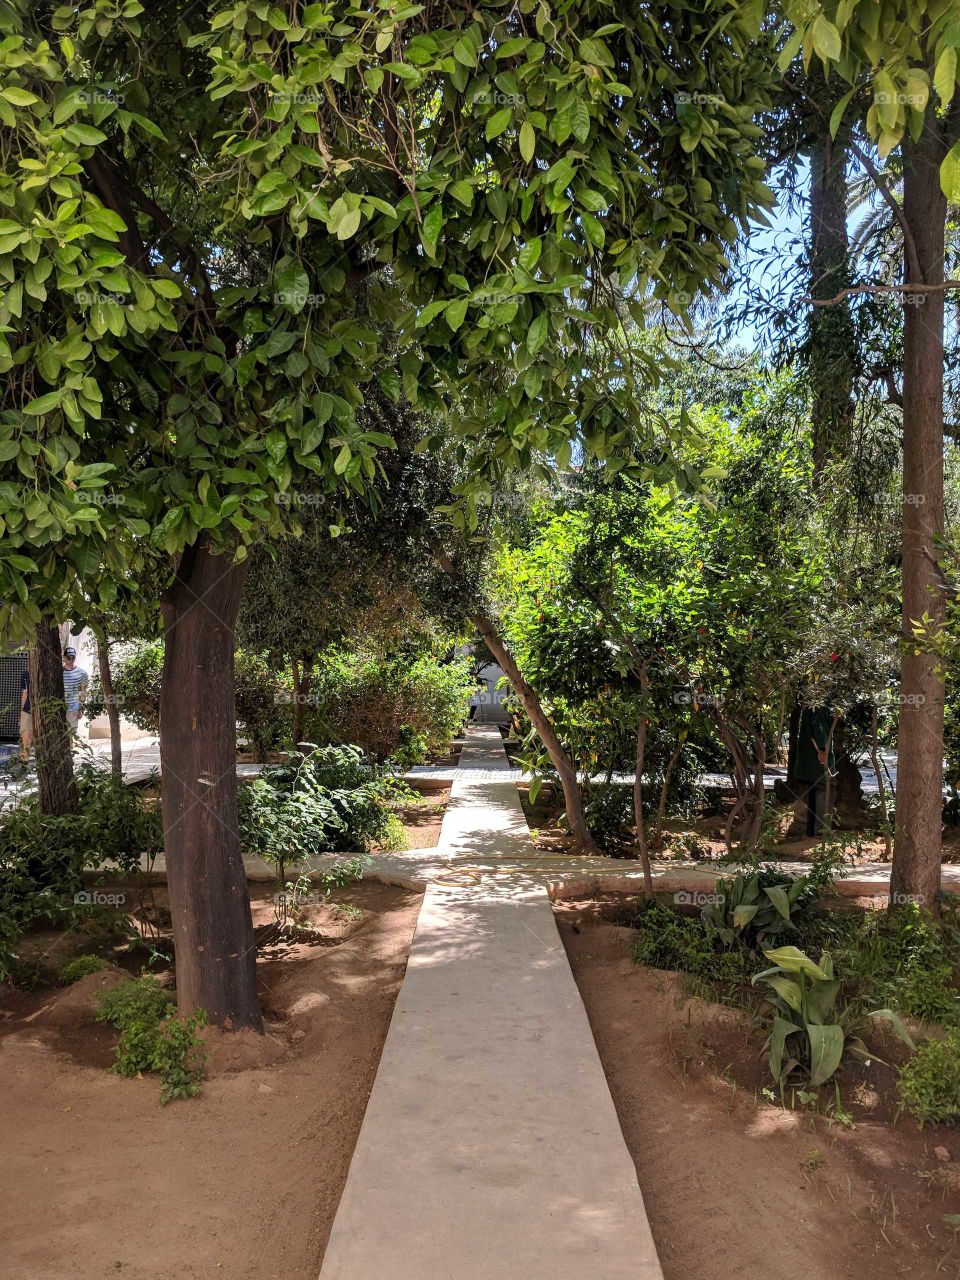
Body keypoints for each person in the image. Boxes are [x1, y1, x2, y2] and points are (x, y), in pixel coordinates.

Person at [793, 704, 836, 837]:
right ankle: (820, 832)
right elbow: (819, 729)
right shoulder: (820, 705)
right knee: (823, 792)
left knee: (813, 794)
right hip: (818, 760)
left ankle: (811, 831)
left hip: (809, 762)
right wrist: (822, 750)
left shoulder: (810, 705)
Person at [62, 646, 89, 736]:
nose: (71, 659)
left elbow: (83, 692)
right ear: (64, 657)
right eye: (69, 657)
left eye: (73, 657)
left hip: (73, 709)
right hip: (58, 708)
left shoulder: (82, 673)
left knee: (70, 736)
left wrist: (80, 709)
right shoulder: (58, 671)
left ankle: (70, 750)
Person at [19, 666, 32, 762]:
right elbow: (24, 693)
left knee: (31, 736)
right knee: (25, 736)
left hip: (41, 709)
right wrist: (22, 711)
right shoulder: (26, 674)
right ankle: (24, 761)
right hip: (27, 709)